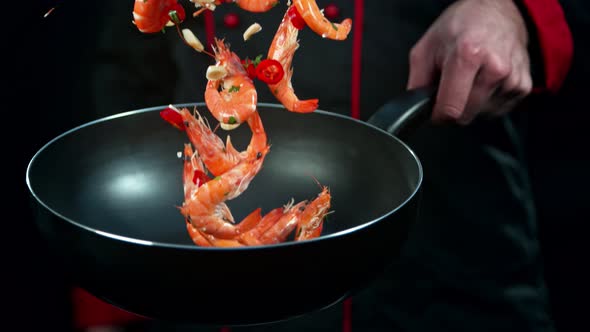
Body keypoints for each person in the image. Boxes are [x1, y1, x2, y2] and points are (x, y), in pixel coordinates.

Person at [26, 0, 588, 331]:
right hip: (194, 292)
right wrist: (107, 304)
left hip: (449, 262)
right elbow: (128, 69)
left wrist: (516, 11)